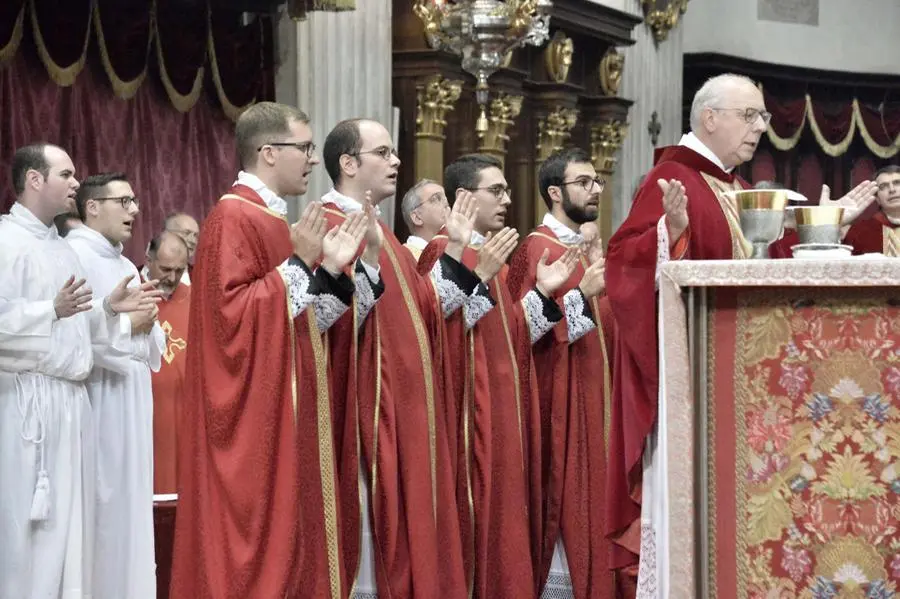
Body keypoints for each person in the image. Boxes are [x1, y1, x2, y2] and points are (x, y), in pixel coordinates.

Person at [604, 73, 875, 593]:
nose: (760, 129)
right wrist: (671, 232)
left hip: (739, 383)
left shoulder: (737, 187)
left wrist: (831, 221)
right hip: (690, 385)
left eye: (764, 117)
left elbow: (767, 265)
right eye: (749, 116)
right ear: (710, 118)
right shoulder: (672, 178)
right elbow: (624, 262)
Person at [169, 102, 370, 599]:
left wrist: (329, 272)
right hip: (254, 418)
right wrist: (301, 264)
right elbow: (229, 323)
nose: (310, 158)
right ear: (267, 152)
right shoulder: (231, 217)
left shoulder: (278, 221)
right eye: (303, 147)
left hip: (290, 408)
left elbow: (301, 323)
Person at [320, 118, 493, 598]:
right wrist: (369, 264)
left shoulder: (385, 234)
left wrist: (455, 246)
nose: (396, 161)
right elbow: (321, 328)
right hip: (365, 417)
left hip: (410, 415)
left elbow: (427, 311)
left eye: (394, 152)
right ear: (349, 163)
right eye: (383, 152)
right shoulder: (330, 225)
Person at [418, 153, 589, 598]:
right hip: (474, 414)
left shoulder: (489, 253)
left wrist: (546, 294)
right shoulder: (445, 250)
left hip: (504, 409)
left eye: (508, 190)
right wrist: (479, 276)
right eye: (496, 190)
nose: (507, 200)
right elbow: (435, 326)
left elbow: (514, 333)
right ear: (463, 197)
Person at [0, 143, 160, 599]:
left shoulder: (61, 250)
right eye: (66, 175)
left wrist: (110, 309)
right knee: (26, 532)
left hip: (71, 404)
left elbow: (79, 331)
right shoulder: (5, 241)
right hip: (24, 404)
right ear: (35, 180)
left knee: (72, 533)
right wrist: (48, 310)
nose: (75, 183)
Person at [506, 147, 612, 599]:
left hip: (592, 395)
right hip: (557, 402)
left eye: (597, 182)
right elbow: (519, 331)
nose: (594, 190)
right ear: (554, 192)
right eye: (583, 182)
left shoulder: (579, 249)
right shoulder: (536, 247)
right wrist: (580, 295)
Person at [66, 172, 165, 599]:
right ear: (92, 207)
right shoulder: (73, 256)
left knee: (131, 513)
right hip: (98, 401)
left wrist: (144, 326)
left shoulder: (124, 262)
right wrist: (127, 324)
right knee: (102, 514)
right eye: (123, 202)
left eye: (134, 201)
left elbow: (149, 334)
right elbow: (73, 339)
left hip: (132, 399)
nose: (134, 211)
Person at [141, 231, 191, 495]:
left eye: (179, 270)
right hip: (143, 416)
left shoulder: (194, 297)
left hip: (185, 417)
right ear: (147, 258)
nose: (172, 278)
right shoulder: (132, 294)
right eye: (166, 269)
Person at [844, 165, 900, 255]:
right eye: (883, 186)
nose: (892, 190)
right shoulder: (860, 230)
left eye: (897, 183)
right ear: (877, 199)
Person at [399, 178, 449, 259]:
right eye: (436, 198)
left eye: (445, 198)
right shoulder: (405, 257)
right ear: (417, 218)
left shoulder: (452, 249)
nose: (446, 203)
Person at [163, 212, 199, 285]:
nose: (193, 241)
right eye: (186, 233)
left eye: (195, 235)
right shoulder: (149, 272)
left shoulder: (199, 275)